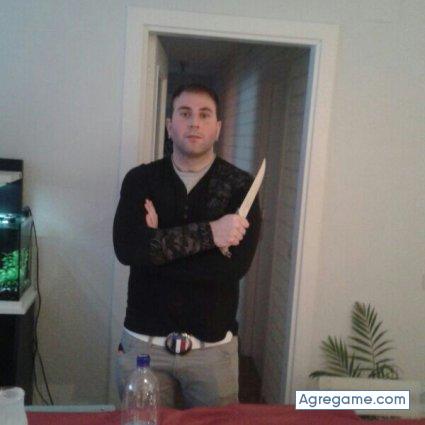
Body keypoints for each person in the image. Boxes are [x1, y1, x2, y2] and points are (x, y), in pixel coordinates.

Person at [113, 83, 262, 408]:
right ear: (170, 125)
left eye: (204, 115)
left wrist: (157, 243)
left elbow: (230, 270)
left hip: (212, 352)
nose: (194, 122)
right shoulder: (140, 180)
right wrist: (211, 234)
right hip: (143, 346)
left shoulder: (240, 187)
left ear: (217, 128)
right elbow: (128, 249)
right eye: (185, 113)